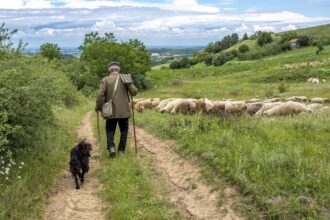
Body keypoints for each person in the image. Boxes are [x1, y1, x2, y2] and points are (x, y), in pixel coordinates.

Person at [95, 62, 138, 158]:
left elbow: (100, 95)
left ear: (109, 70)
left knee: (109, 129)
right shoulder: (125, 78)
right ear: (118, 69)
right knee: (124, 130)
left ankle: (111, 147)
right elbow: (134, 92)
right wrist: (129, 83)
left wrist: (98, 107)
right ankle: (121, 151)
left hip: (110, 111)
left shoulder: (105, 80)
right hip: (124, 111)